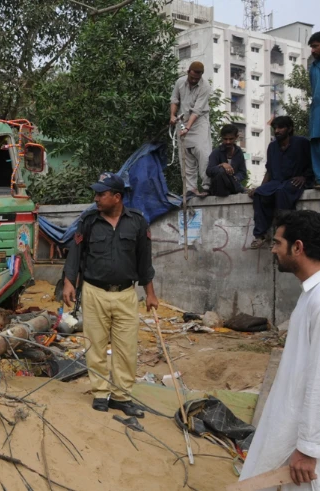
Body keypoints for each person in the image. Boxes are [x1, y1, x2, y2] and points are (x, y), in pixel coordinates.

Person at [62, 172, 158, 417]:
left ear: (117, 197)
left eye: (101, 194)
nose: (96, 198)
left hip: (126, 294)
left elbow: (144, 261)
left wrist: (150, 294)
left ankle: (121, 396)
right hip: (94, 293)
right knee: (95, 346)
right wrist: (68, 283)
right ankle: (100, 393)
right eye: (96, 193)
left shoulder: (137, 222)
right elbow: (75, 253)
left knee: (126, 349)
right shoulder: (89, 221)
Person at [240, 210, 320, 488]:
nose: (273, 249)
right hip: (291, 424)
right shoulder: (310, 294)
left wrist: (309, 448)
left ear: (297, 247)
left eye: (277, 243)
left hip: (304, 443)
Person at [248, 116, 312, 249]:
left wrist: (305, 177)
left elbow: (314, 162)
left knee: (282, 192)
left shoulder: (302, 143)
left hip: (295, 180)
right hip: (277, 181)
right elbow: (269, 171)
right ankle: (261, 235)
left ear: (289, 129)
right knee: (260, 193)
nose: (277, 131)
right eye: (275, 128)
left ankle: (283, 235)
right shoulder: (272, 147)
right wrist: (261, 187)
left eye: (280, 127)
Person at [170, 61, 212, 198]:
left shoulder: (205, 87)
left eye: (197, 78)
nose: (194, 80)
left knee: (202, 151)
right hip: (182, 120)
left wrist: (188, 127)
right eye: (192, 77)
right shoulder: (180, 82)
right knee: (185, 153)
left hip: (199, 121)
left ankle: (207, 185)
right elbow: (174, 100)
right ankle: (190, 188)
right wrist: (172, 115)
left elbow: (197, 110)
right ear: (188, 72)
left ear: (201, 76)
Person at [206, 124, 247, 197]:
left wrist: (236, 177)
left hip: (233, 184)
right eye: (225, 139)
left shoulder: (239, 152)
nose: (228, 142)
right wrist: (222, 165)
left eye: (231, 139)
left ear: (236, 137)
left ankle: (237, 187)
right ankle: (240, 188)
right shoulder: (216, 152)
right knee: (222, 171)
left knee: (231, 178)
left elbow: (243, 172)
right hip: (220, 187)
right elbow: (209, 170)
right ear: (222, 138)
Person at [309, 32, 320, 188]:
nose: (312, 50)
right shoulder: (313, 67)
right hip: (317, 111)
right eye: (311, 47)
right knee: (316, 142)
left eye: (315, 46)